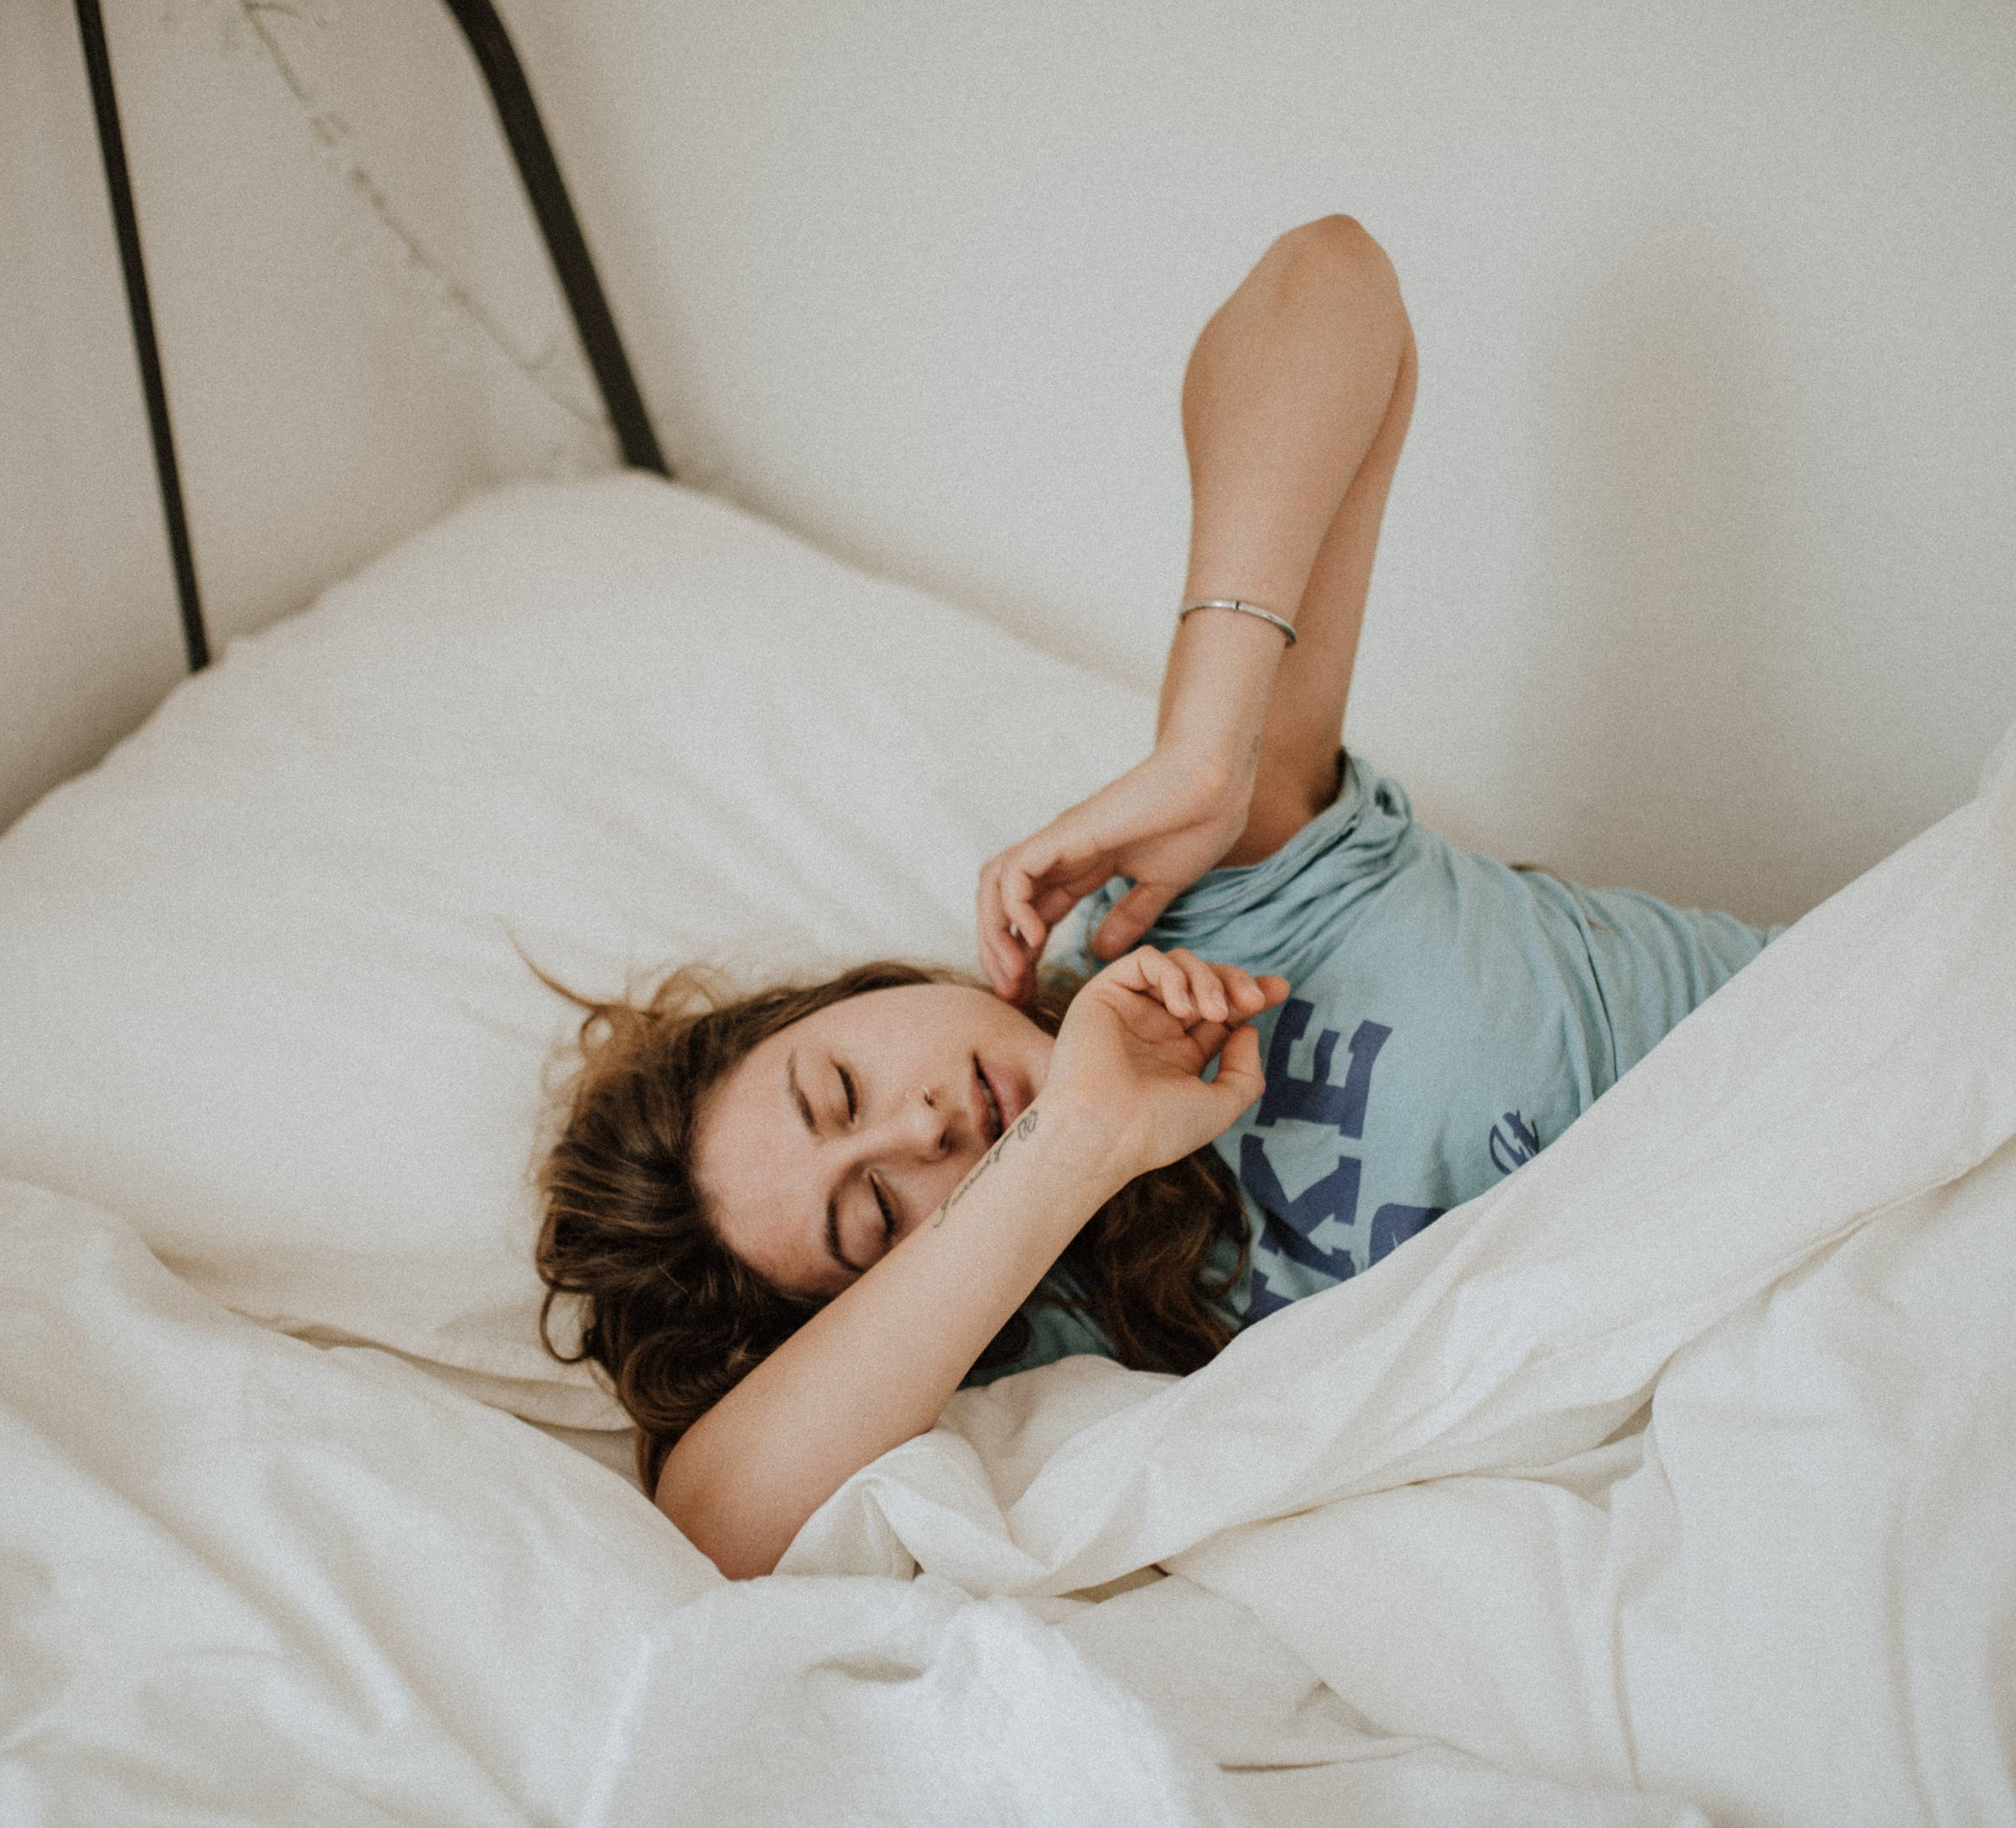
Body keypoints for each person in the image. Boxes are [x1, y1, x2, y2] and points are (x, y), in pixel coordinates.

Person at [534, 217, 1778, 1581]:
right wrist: (1071, 1145)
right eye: (877, 1213)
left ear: (866, 997)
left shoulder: (1217, 901)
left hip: (1856, 1078)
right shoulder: (1064, 1348)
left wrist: (1206, 742)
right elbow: (717, 1524)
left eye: (841, 1088)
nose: (924, 1125)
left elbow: (1335, 284)